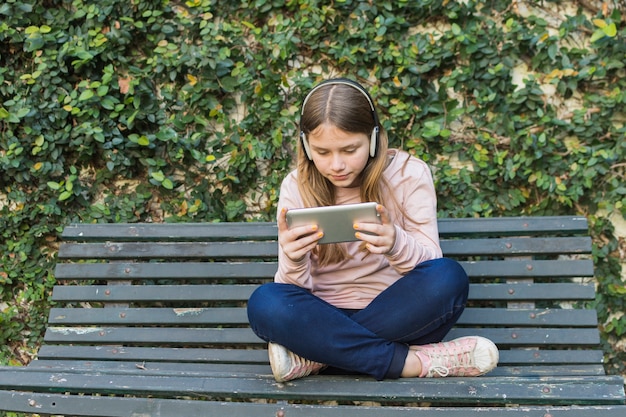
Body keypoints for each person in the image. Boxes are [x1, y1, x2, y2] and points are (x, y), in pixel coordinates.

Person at [247, 78, 499, 382]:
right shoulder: (296, 185)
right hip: (320, 317)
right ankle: (416, 363)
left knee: (448, 277)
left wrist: (396, 244)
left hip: (396, 314)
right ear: (305, 145)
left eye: (350, 149)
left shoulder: (409, 173)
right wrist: (294, 259)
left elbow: (431, 264)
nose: (336, 164)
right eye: (323, 152)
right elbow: (293, 292)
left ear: (375, 138)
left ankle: (317, 357)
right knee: (266, 302)